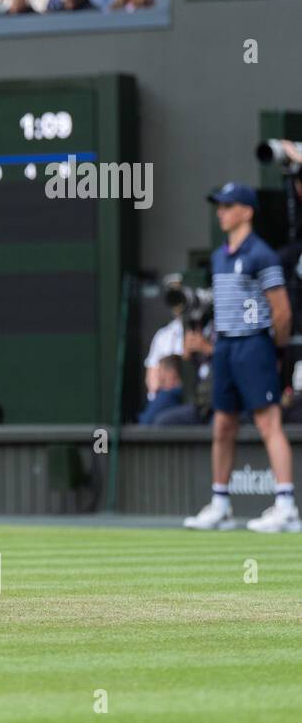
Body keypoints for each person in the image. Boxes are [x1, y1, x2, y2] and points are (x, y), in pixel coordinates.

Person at [185, 184, 298, 533]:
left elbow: (281, 312)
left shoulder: (263, 255)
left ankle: (286, 505)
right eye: (219, 206)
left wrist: (275, 350)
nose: (221, 212)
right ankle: (220, 503)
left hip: (254, 346)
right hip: (225, 348)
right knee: (222, 426)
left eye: (228, 206)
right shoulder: (219, 256)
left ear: (246, 211)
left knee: (268, 424)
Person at [138, 355, 184, 424]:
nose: (159, 377)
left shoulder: (166, 396)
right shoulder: (185, 395)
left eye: (160, 371)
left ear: (171, 373)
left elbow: (145, 422)